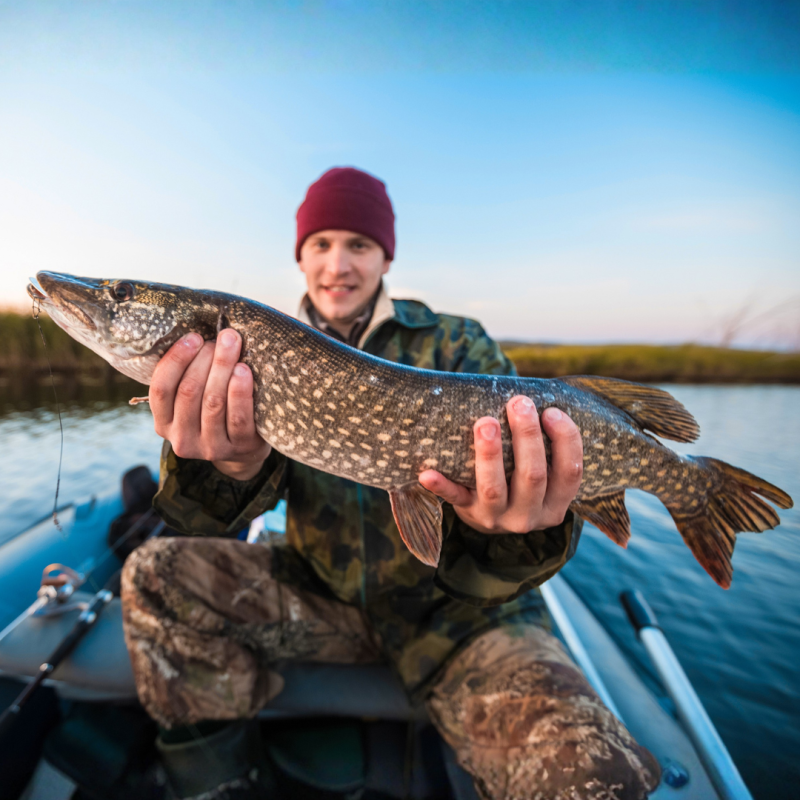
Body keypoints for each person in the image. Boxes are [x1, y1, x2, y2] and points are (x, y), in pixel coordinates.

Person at [121, 167, 660, 799]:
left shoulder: (457, 343)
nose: (338, 265)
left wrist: (508, 532)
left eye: (359, 244)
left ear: (385, 257)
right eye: (321, 244)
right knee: (153, 574)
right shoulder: (245, 350)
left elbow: (528, 527)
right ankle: (222, 784)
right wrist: (227, 467)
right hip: (321, 592)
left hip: (462, 617)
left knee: (598, 778)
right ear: (301, 257)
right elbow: (208, 518)